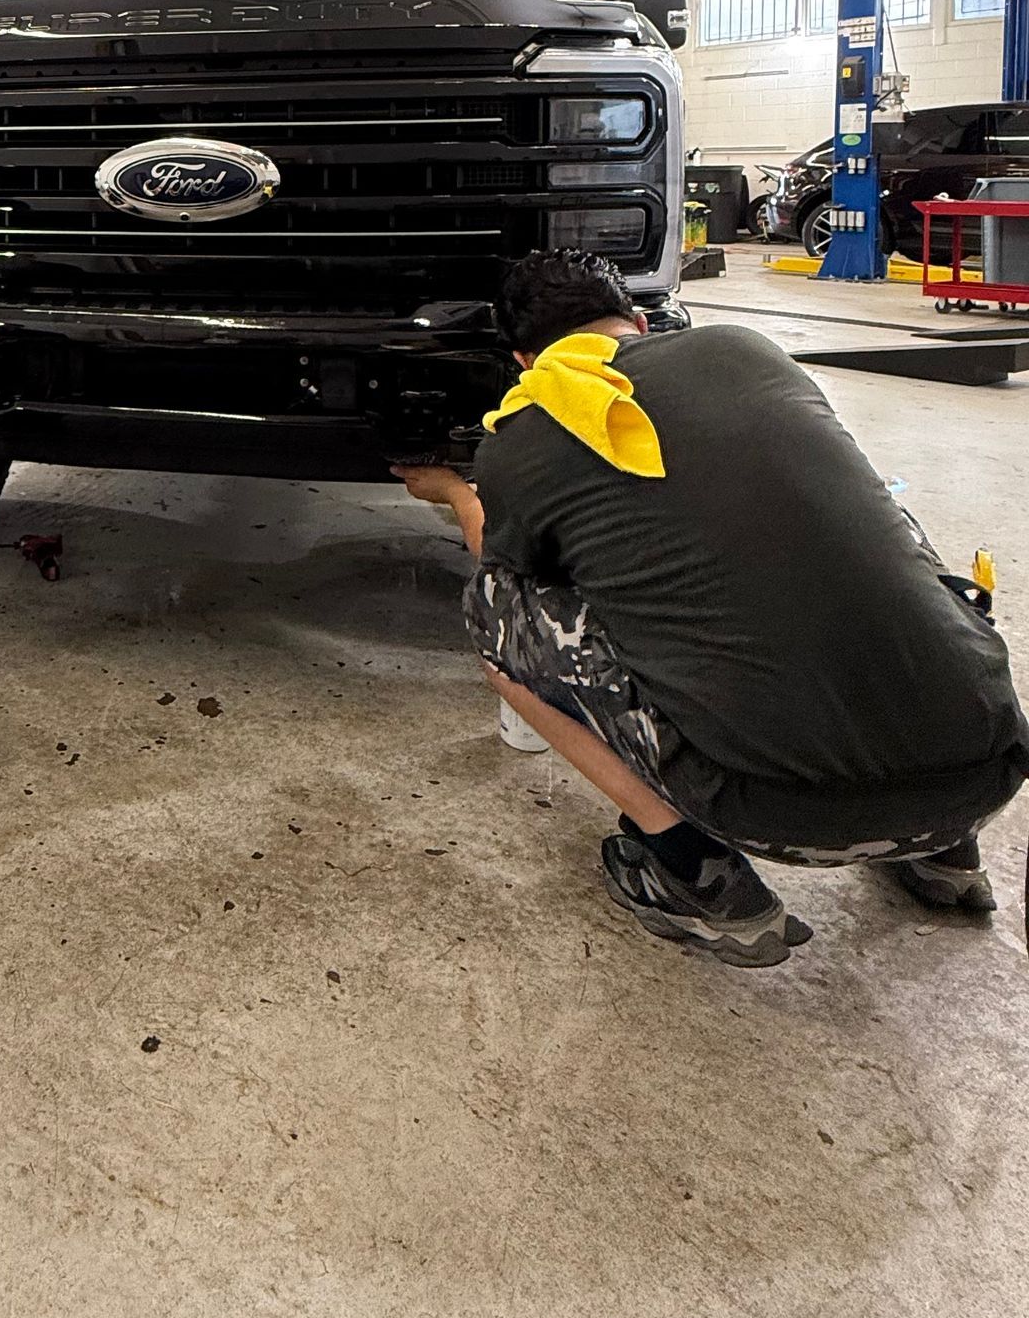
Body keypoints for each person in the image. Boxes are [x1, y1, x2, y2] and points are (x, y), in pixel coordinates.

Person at [398, 248, 1029, 967]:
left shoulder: (522, 439)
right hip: (987, 769)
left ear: (521, 359)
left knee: (495, 609)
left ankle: (693, 868)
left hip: (774, 812)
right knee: (879, 524)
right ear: (639, 320)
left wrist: (454, 492)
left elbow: (501, 563)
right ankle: (945, 852)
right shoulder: (747, 350)